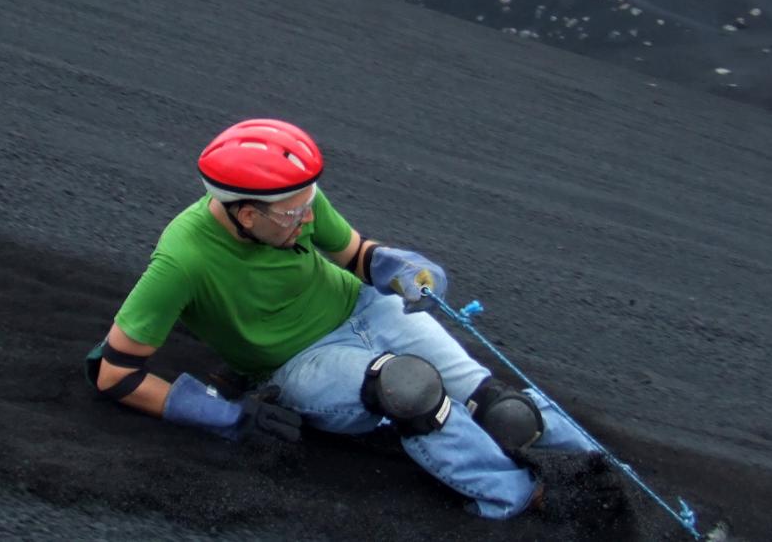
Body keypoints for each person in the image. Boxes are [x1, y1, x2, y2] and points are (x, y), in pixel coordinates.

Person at [87, 118, 599, 518]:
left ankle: (603, 474)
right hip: (301, 361)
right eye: (294, 213)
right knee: (408, 390)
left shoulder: (291, 203)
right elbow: (115, 372)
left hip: (367, 308)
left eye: (308, 203)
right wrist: (229, 416)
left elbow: (355, 254)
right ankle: (516, 500)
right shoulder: (183, 260)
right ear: (246, 215)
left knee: (503, 410)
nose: (308, 218)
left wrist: (402, 267)